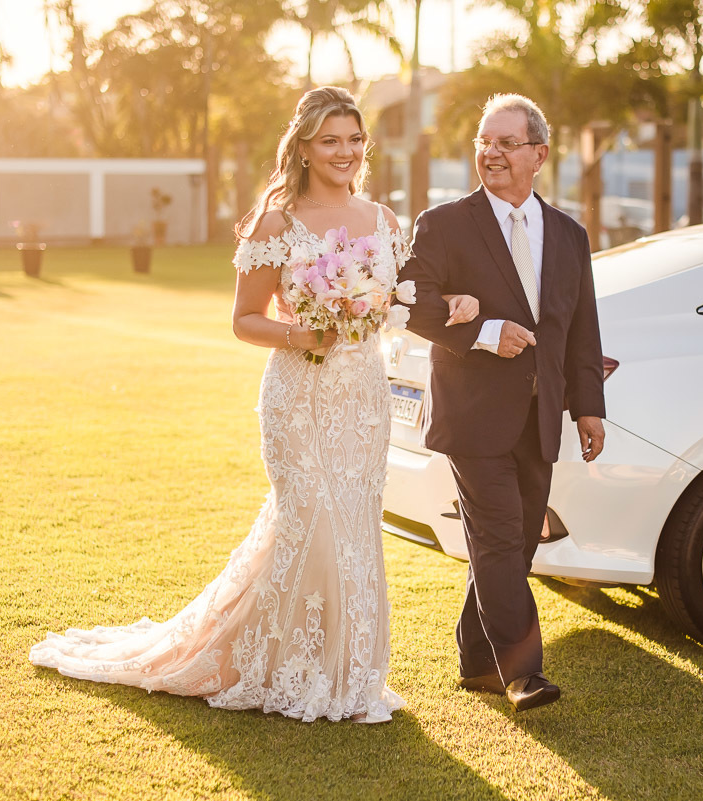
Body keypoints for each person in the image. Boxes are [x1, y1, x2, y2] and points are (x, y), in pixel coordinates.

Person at [29, 87, 474, 724]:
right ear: (303, 148)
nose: (345, 152)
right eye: (330, 141)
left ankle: (343, 675)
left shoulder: (382, 220)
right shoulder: (278, 220)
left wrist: (455, 305)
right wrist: (303, 332)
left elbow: (402, 301)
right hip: (297, 392)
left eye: (354, 140)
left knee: (350, 532)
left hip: (362, 399)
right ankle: (276, 667)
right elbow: (243, 319)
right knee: (308, 517)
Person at [400, 93, 606, 712]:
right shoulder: (444, 224)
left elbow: (582, 328)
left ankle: (476, 660)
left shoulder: (569, 234)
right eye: (484, 142)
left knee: (516, 542)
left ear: (539, 154)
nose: (491, 153)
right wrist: (485, 332)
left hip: (540, 417)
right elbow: (412, 303)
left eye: (506, 143)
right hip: (472, 414)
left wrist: (587, 405)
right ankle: (523, 673)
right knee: (494, 538)